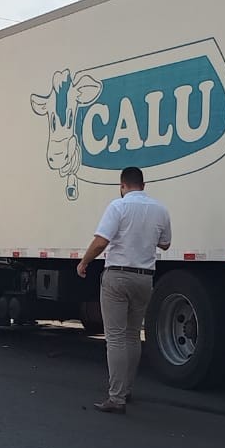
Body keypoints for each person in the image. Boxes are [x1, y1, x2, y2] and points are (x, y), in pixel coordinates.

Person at [76, 167, 171, 413]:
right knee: (131, 336)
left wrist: (84, 262)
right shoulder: (160, 209)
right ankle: (127, 389)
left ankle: (116, 398)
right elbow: (166, 242)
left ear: (122, 185)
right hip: (144, 278)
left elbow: (101, 241)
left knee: (115, 337)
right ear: (143, 184)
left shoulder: (118, 207)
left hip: (118, 276)